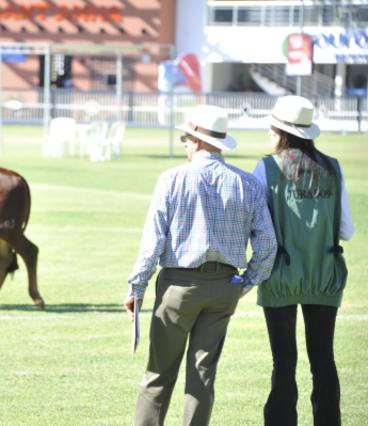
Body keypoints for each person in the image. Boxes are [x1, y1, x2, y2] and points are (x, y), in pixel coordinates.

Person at [124, 104, 277, 426]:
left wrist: (136, 286)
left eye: (185, 138)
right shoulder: (247, 183)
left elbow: (153, 241)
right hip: (225, 287)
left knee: (158, 375)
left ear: (196, 142)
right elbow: (267, 244)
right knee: (203, 376)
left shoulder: (172, 178)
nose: (184, 144)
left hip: (179, 286)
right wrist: (246, 283)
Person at [252, 95, 354, 426]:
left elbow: (257, 227)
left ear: (281, 131)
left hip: (280, 273)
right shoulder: (333, 168)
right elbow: (347, 230)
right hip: (324, 273)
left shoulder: (266, 167)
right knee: (323, 359)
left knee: (283, 360)